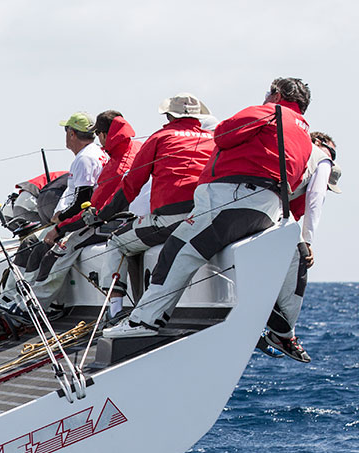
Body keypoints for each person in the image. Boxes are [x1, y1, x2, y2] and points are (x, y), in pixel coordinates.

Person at [104, 77, 313, 338]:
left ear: (277, 94)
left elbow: (224, 134)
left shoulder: (268, 111)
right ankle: (285, 331)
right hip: (268, 206)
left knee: (178, 250)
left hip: (231, 198)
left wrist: (103, 215)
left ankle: (142, 322)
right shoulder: (305, 135)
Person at [89, 93, 216, 321]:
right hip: (208, 216)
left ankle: (114, 311)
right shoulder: (213, 138)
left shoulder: (159, 137)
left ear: (168, 116)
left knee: (116, 241)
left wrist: (102, 215)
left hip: (171, 219)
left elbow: (131, 185)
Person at [27, 110, 141, 312]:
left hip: (115, 221)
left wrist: (61, 227)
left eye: (98, 134)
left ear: (104, 134)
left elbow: (93, 208)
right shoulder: (134, 149)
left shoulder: (108, 163)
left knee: (61, 248)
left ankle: (35, 308)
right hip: (136, 216)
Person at [260, 131, 341, 361]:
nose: (331, 159)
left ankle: (265, 328)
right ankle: (284, 335)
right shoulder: (318, 159)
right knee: (301, 257)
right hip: (266, 210)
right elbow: (316, 199)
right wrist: (307, 242)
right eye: (331, 153)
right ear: (317, 142)